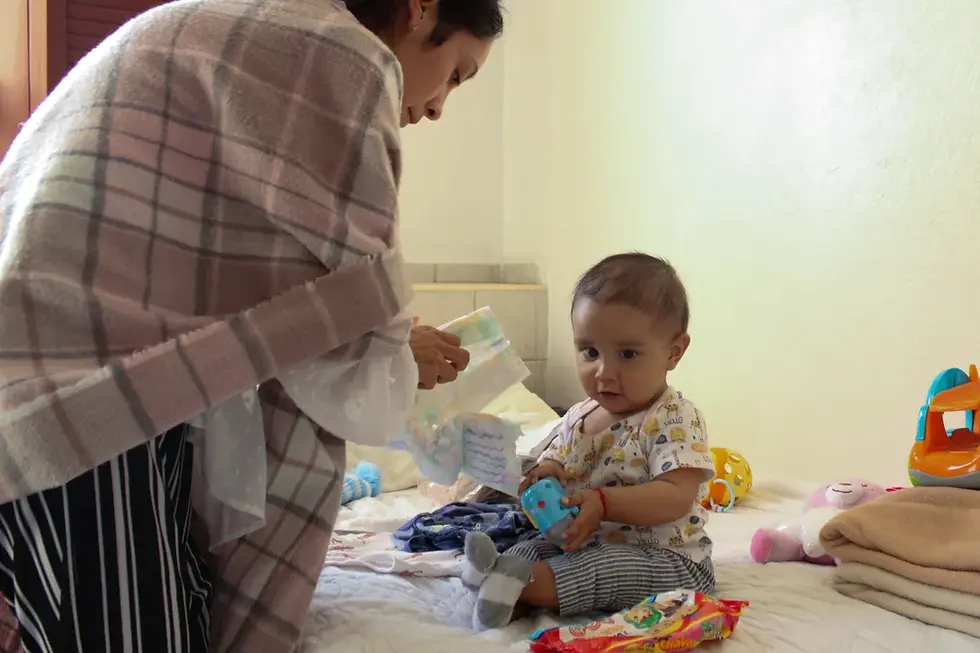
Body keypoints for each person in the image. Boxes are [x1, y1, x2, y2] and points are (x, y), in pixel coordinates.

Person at [0, 0, 503, 651]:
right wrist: (391, 346)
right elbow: (354, 324)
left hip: (95, 385)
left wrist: (383, 339)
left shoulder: (238, 34)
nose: (438, 106)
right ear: (420, 8)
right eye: (457, 73)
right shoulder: (342, 53)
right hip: (77, 397)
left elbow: (246, 290)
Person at [461, 253, 717, 630]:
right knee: (530, 547)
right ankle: (505, 580)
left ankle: (514, 586)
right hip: (584, 540)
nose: (604, 372)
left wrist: (603, 502)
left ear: (673, 351)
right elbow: (555, 462)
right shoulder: (579, 415)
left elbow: (675, 495)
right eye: (590, 352)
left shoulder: (674, 417)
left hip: (666, 559)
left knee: (601, 567)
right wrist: (544, 474)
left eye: (627, 354)